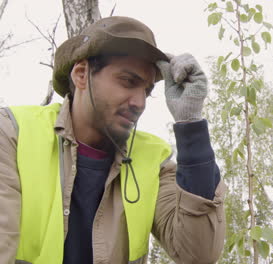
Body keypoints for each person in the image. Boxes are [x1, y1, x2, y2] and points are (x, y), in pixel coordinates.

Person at [0, 16, 226, 264]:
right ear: (81, 74)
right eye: (128, 82)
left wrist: (191, 125)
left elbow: (199, 255)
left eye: (147, 92)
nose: (139, 103)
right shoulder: (13, 133)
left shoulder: (154, 159)